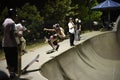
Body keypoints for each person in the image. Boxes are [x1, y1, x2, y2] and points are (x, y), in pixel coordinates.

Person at [2, 8, 20, 79]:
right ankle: (15, 73)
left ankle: (11, 74)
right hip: (11, 44)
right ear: (13, 15)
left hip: (5, 44)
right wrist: (17, 44)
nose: (16, 16)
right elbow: (12, 35)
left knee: (8, 59)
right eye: (15, 15)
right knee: (14, 59)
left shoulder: (5, 21)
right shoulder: (12, 23)